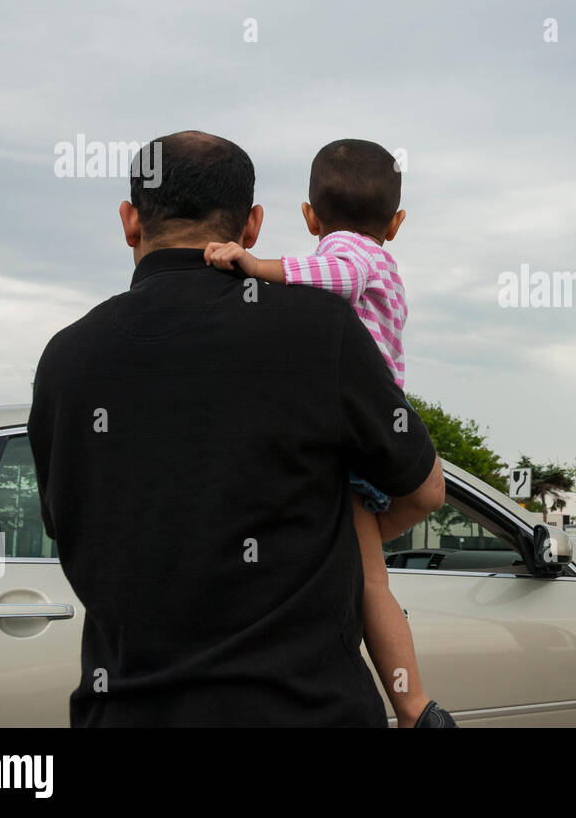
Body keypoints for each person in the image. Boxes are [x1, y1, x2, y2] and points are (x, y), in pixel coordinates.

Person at [28, 130, 445, 727]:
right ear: (252, 226)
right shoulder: (319, 330)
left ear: (129, 221)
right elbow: (426, 489)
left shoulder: (65, 359)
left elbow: (67, 523)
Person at [203, 138, 453, 728]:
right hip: (374, 426)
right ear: (396, 223)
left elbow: (333, 276)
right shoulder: (385, 259)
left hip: (350, 423)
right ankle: (414, 707)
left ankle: (415, 707)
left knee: (371, 582)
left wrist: (256, 265)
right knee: (371, 577)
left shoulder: (348, 253)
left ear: (309, 217)